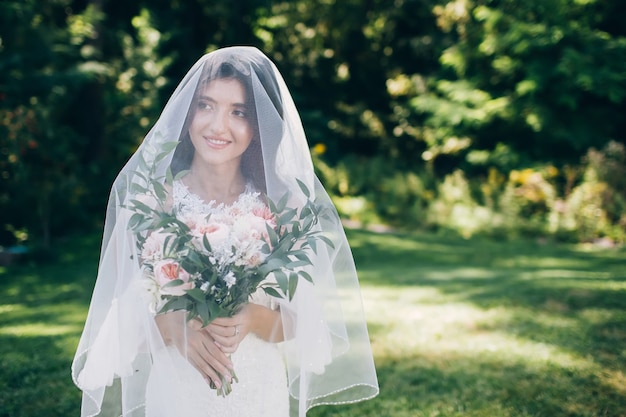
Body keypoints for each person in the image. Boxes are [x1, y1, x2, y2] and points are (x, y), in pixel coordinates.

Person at [72, 46, 379, 417]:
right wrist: (169, 326)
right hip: (177, 393)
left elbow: (302, 322)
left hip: (258, 392)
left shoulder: (283, 208)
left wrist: (251, 317)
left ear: (259, 126)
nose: (218, 126)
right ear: (187, 115)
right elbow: (117, 327)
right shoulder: (152, 204)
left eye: (238, 112)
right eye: (205, 105)